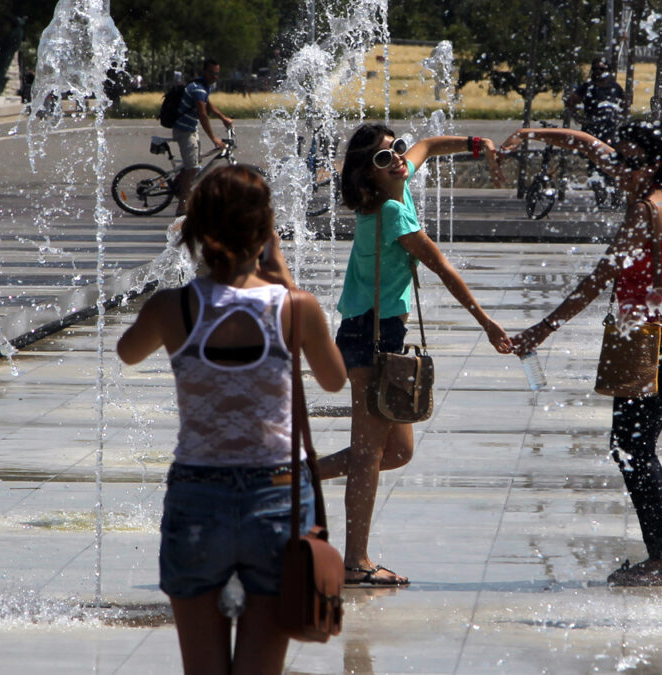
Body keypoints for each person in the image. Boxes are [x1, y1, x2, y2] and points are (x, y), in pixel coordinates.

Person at [116, 165, 347, 674]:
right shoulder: (296, 307)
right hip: (278, 497)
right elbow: (334, 380)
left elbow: (127, 352)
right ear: (266, 232)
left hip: (198, 494)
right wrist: (282, 274)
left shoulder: (171, 307)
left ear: (195, 229)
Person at [498, 118, 662, 587]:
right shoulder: (658, 192)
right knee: (630, 445)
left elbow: (600, 277)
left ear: (652, 165)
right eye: (622, 159)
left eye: (631, 163)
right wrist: (534, 133)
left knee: (633, 446)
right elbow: (591, 147)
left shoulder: (646, 209)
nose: (620, 169)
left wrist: (542, 329)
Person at [317, 124, 512, 586]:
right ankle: (356, 563)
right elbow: (442, 267)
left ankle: (286, 478)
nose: (399, 159)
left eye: (396, 150)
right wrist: (487, 323)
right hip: (370, 336)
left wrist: (473, 145)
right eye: (384, 159)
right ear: (369, 176)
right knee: (368, 454)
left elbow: (426, 146)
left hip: (383, 334)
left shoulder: (396, 183)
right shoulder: (391, 212)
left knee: (397, 451)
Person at [173, 58, 234, 216]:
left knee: (195, 164)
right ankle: (181, 206)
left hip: (191, 129)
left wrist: (223, 117)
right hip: (184, 131)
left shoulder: (203, 86)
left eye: (217, 74)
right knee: (192, 168)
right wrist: (214, 139)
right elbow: (203, 114)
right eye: (212, 73)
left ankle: (183, 183)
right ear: (204, 72)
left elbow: (207, 103)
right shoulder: (198, 88)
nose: (215, 77)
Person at [566, 58, 628, 198]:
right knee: (594, 162)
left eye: (602, 69)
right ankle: (599, 191)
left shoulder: (615, 87)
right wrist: (579, 118)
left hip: (610, 131)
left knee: (613, 160)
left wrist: (619, 119)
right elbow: (571, 101)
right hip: (592, 131)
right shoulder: (587, 87)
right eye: (596, 69)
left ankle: (614, 193)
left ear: (608, 71)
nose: (598, 72)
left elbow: (624, 105)